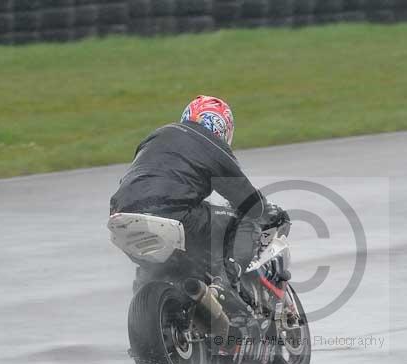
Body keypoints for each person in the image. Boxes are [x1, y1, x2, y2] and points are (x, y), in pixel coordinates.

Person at [110, 95, 286, 306]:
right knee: (243, 223)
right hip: (172, 214)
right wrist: (270, 213)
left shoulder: (155, 138)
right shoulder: (214, 146)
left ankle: (155, 293)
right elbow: (249, 203)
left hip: (122, 217)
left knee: (154, 267)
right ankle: (228, 286)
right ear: (224, 129)